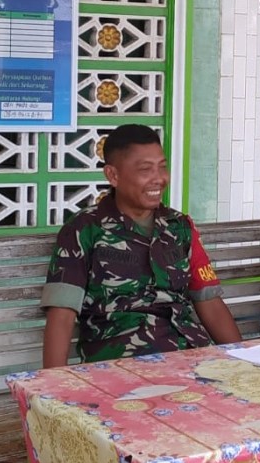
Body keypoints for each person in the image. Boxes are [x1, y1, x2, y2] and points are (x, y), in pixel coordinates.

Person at [41, 124, 242, 368]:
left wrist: (243, 363)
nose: (159, 178)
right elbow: (62, 314)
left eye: (162, 167)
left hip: (192, 355)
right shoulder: (84, 230)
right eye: (145, 169)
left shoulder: (179, 227)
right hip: (122, 364)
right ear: (113, 176)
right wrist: (52, 387)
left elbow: (209, 302)